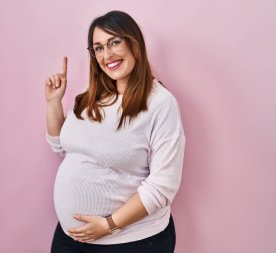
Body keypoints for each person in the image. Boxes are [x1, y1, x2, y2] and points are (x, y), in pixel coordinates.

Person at [44, 10, 186, 253]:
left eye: (115, 42)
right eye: (98, 48)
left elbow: (163, 187)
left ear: (136, 46)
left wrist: (109, 225)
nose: (107, 54)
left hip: (130, 242)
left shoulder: (160, 104)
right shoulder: (93, 95)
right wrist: (54, 103)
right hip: (72, 238)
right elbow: (62, 147)